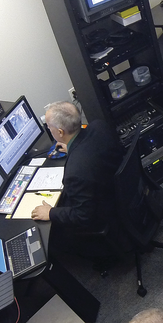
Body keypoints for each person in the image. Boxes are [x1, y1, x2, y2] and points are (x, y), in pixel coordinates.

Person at [31, 101, 122, 247]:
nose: (48, 129)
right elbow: (93, 147)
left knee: (53, 238)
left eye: (49, 126)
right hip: (120, 190)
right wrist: (73, 149)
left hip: (106, 212)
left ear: (60, 132)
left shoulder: (75, 172)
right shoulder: (99, 126)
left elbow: (83, 216)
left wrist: (50, 213)